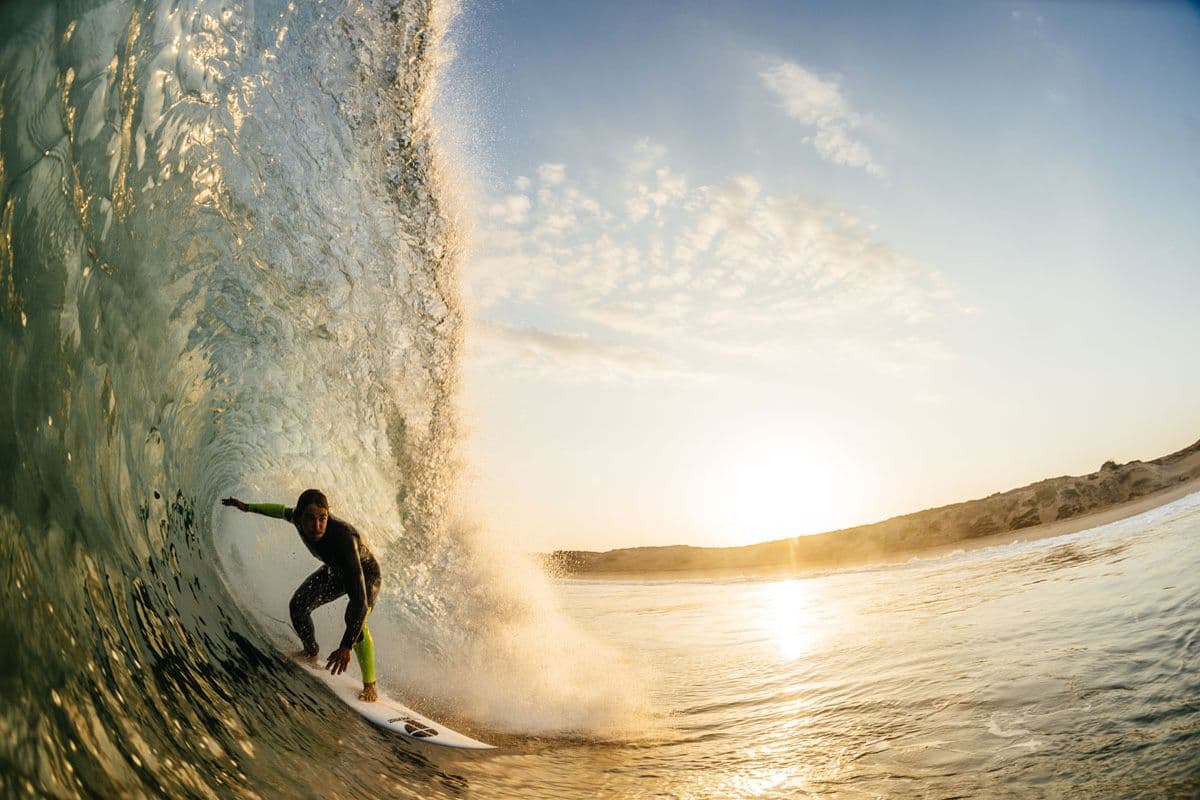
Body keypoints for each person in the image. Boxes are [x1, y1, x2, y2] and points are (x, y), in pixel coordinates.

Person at [222, 489, 381, 702]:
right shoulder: (295, 518)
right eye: (310, 519)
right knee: (298, 606)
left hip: (365, 574)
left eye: (322, 519)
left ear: (328, 515)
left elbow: (360, 602)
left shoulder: (344, 538)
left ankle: (370, 685)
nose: (316, 526)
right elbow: (279, 511)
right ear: (299, 516)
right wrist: (247, 507)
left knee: (355, 621)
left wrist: (345, 647)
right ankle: (310, 651)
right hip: (336, 570)